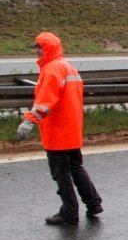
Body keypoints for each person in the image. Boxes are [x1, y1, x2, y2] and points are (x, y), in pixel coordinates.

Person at [18, 32, 103, 225]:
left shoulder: (52, 69)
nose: (36, 50)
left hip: (58, 132)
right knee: (76, 167)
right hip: (72, 129)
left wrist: (29, 120)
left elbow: (45, 101)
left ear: (47, 48)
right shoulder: (69, 68)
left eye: (39, 46)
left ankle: (69, 212)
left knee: (61, 173)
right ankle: (94, 203)